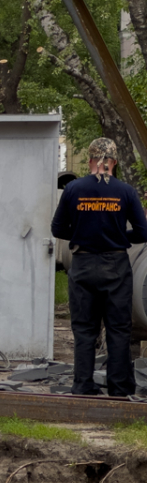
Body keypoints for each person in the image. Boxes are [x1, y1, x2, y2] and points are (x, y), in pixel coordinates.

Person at [51, 137, 147, 396]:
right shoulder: (125, 191)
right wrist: (118, 237)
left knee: (84, 329)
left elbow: (57, 228)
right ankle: (119, 388)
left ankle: (82, 385)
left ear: (91, 160)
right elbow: (143, 231)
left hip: (82, 264)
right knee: (118, 328)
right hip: (115, 265)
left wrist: (83, 234)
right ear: (113, 162)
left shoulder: (73, 190)